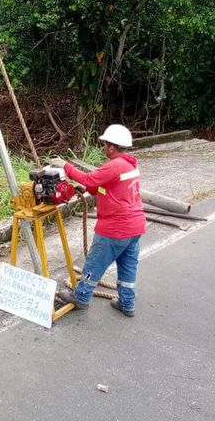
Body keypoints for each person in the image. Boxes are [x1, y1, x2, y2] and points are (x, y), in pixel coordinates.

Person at [50, 124, 145, 317]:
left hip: (115, 228)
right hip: (135, 227)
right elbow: (108, 186)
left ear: (111, 147)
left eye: (104, 145)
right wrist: (89, 189)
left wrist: (65, 166)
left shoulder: (115, 165)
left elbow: (88, 179)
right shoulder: (130, 164)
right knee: (127, 268)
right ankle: (127, 303)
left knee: (95, 263)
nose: (103, 148)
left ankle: (81, 297)